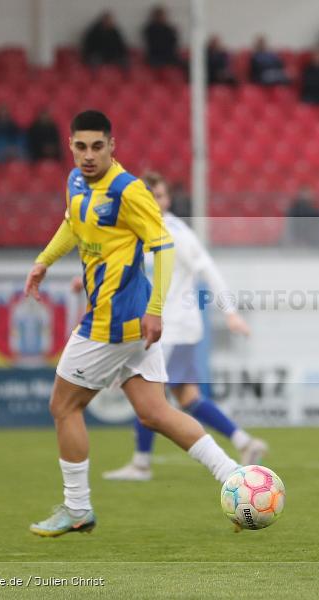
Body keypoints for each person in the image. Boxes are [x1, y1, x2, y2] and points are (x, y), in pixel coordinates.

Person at [23, 111, 239, 537]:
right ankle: (237, 477)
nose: (88, 155)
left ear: (112, 145)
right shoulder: (76, 182)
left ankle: (77, 507)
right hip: (126, 322)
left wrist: (155, 308)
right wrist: (44, 261)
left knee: (63, 406)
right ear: (70, 145)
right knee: (155, 412)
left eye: (97, 147)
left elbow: (163, 246)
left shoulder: (129, 191)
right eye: (80, 147)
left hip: (113, 320)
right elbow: (72, 223)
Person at [103, 171, 267, 482]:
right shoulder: (139, 231)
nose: (158, 201)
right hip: (173, 327)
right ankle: (244, 441)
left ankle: (140, 464)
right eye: (152, 196)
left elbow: (209, 270)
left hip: (172, 327)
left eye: (162, 195)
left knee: (149, 392)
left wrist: (230, 312)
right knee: (187, 396)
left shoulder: (176, 232)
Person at [143, 5, 184, 71]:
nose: (162, 18)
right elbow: (153, 44)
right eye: (160, 16)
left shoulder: (169, 29)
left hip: (169, 55)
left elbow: (174, 43)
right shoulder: (150, 29)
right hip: (155, 56)